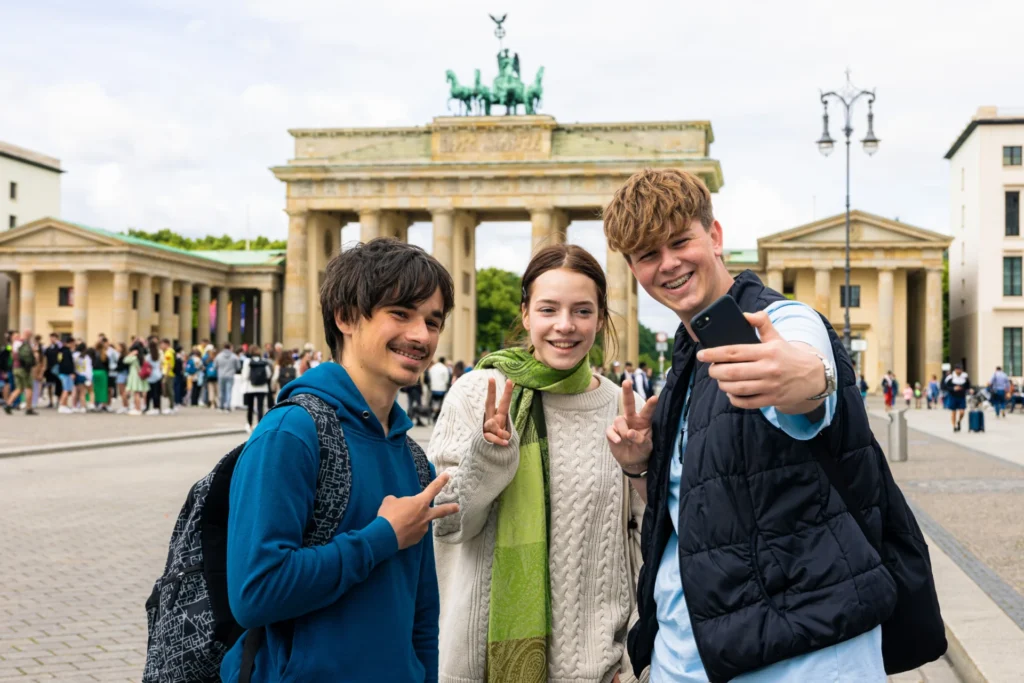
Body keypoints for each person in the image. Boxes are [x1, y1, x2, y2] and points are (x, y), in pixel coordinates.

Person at [603, 168, 915, 681]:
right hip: (689, 653)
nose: (669, 264)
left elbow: (805, 375)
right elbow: (696, 513)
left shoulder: (782, 321)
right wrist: (641, 467)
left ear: (716, 236)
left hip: (805, 656)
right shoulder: (689, 355)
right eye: (647, 255)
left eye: (681, 241)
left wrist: (807, 381)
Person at [220, 238, 458, 682]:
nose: (421, 336)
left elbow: (421, 612)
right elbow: (255, 592)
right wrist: (382, 537)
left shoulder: (412, 456)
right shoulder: (289, 434)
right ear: (346, 317)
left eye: (433, 321)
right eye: (401, 314)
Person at [429, 244, 644, 682]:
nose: (565, 326)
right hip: (482, 669)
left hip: (596, 672)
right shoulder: (477, 394)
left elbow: (646, 546)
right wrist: (487, 455)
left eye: (582, 311)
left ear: (601, 319)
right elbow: (447, 526)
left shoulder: (623, 408)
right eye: (549, 309)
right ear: (526, 314)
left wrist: (635, 656)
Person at [4, 330, 39, 416]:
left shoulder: (14, 344)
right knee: (29, 387)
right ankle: (29, 408)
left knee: (19, 388)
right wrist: (35, 352)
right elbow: (35, 356)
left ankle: (8, 404)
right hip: (24, 369)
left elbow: (12, 356)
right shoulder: (26, 343)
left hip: (15, 368)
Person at [242, 345, 271, 433]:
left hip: (251, 387)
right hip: (262, 387)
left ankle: (250, 424)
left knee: (250, 407)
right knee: (260, 407)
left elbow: (245, 375)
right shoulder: (264, 361)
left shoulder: (248, 361)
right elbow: (268, 374)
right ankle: (260, 425)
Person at [943, 364, 970, 432]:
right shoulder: (950, 377)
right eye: (958, 369)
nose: (959, 371)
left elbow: (968, 385)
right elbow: (944, 387)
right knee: (953, 412)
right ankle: (954, 426)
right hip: (953, 396)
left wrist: (969, 389)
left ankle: (959, 421)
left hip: (962, 396)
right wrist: (953, 388)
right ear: (955, 370)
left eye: (960, 369)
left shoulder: (965, 377)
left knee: (962, 412)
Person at [124, 341, 148, 415]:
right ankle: (137, 407)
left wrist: (131, 354)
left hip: (134, 376)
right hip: (140, 376)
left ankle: (138, 408)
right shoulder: (143, 357)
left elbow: (125, 360)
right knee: (137, 392)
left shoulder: (134, 357)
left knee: (136, 393)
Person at [213, 342, 238, 412]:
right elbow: (238, 366)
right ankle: (227, 406)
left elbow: (215, 366)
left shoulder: (219, 356)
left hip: (221, 375)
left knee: (221, 391)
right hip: (230, 375)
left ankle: (221, 406)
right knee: (229, 391)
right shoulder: (234, 356)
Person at [427, 355, 451, 420]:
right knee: (440, 403)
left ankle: (432, 415)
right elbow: (446, 379)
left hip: (433, 388)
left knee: (433, 402)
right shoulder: (444, 368)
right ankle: (437, 416)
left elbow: (429, 377)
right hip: (441, 389)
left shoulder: (433, 367)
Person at [55, 338, 76, 413]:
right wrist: (71, 372)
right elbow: (67, 364)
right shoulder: (67, 351)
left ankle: (64, 404)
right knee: (66, 390)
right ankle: (62, 406)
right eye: (73, 343)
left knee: (66, 390)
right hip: (66, 373)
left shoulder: (61, 351)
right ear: (70, 343)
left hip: (61, 372)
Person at [144, 340, 164, 415]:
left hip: (151, 375)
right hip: (158, 374)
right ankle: (157, 407)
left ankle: (147, 407)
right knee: (157, 393)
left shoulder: (148, 356)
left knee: (149, 393)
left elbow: (146, 364)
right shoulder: (158, 354)